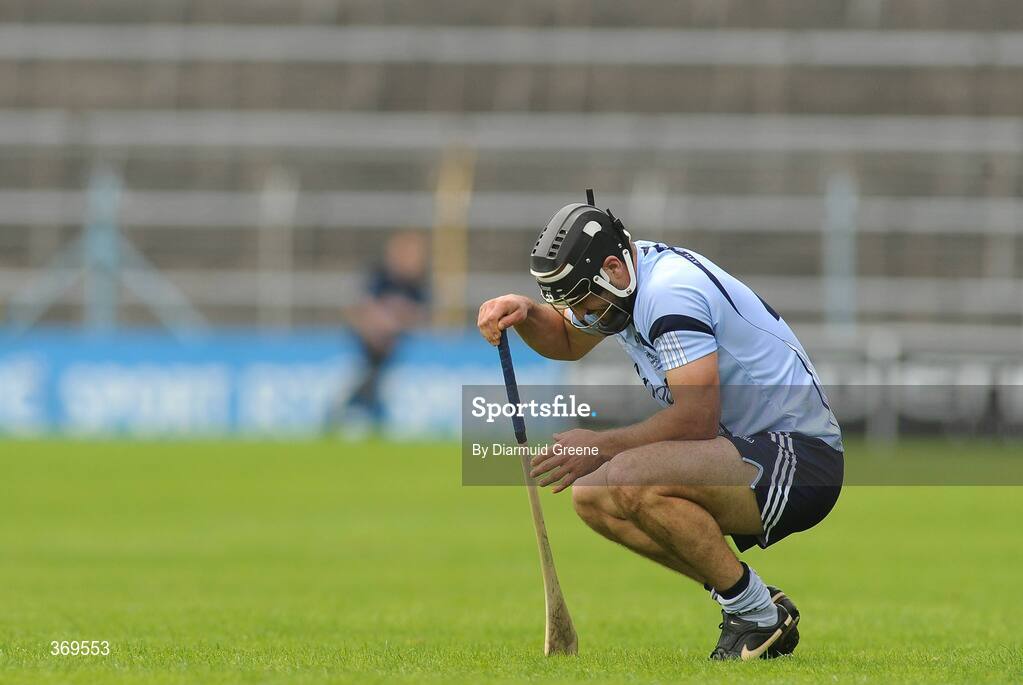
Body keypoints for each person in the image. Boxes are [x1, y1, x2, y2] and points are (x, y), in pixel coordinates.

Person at [476, 191, 843, 660]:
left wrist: (599, 444)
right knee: (593, 496)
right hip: (746, 449)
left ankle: (755, 616)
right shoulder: (624, 280)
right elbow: (568, 339)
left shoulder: (670, 293)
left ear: (612, 267)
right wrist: (525, 312)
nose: (585, 317)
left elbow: (696, 419)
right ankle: (749, 602)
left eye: (585, 304)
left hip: (802, 459)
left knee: (631, 477)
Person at [338, 231, 429, 429]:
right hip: (366, 343)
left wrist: (394, 324)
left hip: (394, 346)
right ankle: (353, 414)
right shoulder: (378, 275)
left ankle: (356, 414)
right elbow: (360, 307)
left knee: (375, 384)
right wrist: (381, 324)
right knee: (368, 381)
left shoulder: (418, 284)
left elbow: (421, 315)